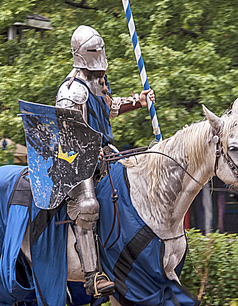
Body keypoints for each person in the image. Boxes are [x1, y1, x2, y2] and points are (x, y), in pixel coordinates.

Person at [55, 25, 155, 298]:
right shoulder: (71, 90)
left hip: (107, 153)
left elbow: (109, 106)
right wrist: (91, 151)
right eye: (93, 51)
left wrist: (138, 100)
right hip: (77, 161)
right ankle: (92, 276)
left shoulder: (98, 82)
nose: (98, 55)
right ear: (80, 54)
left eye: (100, 49)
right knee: (87, 206)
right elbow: (69, 135)